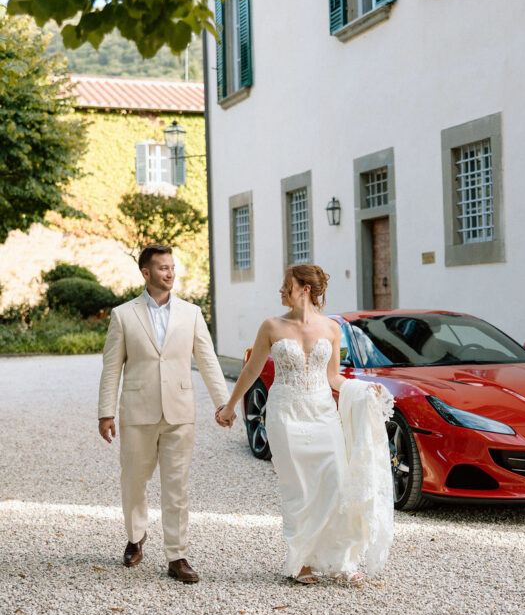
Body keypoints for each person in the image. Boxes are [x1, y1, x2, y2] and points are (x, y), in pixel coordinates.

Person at [218, 263, 394, 584]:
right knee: (298, 487)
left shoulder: (331, 328)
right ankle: (302, 561)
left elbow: (333, 377)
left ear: (305, 289)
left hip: (322, 413)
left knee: (336, 483)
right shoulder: (271, 326)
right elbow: (252, 371)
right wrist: (230, 407)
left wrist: (364, 389)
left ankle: (343, 562)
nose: (281, 290)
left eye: (287, 284)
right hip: (285, 415)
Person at [98, 244, 229, 583]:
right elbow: (111, 367)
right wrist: (105, 412)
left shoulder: (192, 313)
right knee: (134, 481)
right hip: (137, 412)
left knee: (177, 487)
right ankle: (135, 537)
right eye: (162, 268)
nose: (170, 273)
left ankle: (177, 555)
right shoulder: (123, 315)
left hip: (180, 412)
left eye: (172, 267)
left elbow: (208, 360)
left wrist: (223, 403)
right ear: (146, 273)